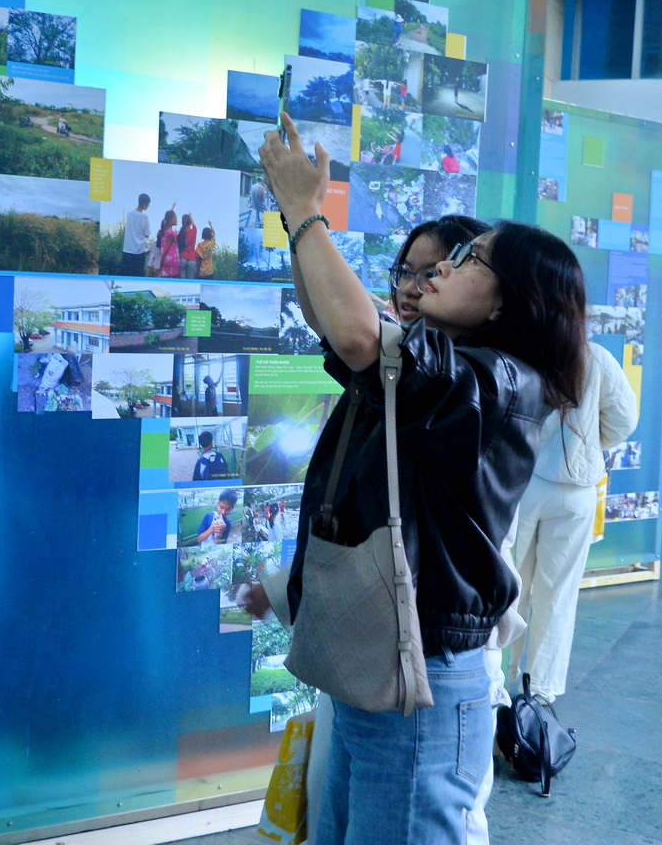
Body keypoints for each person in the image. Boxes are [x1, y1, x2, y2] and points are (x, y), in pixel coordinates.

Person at [241, 114, 587, 845]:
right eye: (422, 265)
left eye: (467, 260)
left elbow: (357, 334)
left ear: (507, 300)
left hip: (424, 681)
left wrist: (305, 210)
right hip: (383, 663)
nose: (435, 273)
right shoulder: (438, 371)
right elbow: (339, 327)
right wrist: (293, 213)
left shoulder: (496, 382)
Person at [506, 335, 637, 705]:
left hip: (522, 482)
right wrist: (588, 445)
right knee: (558, 593)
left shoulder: (522, 347)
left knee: (509, 585)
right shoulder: (596, 355)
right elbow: (625, 420)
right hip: (577, 488)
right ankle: (540, 692)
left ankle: (500, 680)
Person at [120, 193, 151, 275]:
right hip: (140, 251)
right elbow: (147, 234)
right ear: (144, 205)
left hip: (127, 249)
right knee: (137, 275)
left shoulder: (129, 214)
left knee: (125, 275)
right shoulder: (144, 217)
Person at [178, 213, 199, 279]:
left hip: (182, 257)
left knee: (182, 279)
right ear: (189, 222)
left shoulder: (181, 234)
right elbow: (193, 224)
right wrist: (190, 216)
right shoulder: (194, 231)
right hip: (192, 258)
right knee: (191, 279)